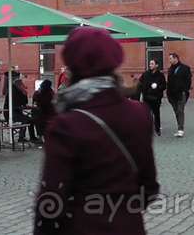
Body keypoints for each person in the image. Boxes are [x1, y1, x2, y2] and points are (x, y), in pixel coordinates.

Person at [34, 27, 159, 234]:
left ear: (72, 65)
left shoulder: (66, 125)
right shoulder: (140, 114)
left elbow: (51, 202)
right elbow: (149, 188)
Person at [136, 59, 167, 136]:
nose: (150, 65)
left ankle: (157, 129)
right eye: (150, 64)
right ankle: (147, 129)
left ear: (156, 65)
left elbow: (164, 86)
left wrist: (157, 87)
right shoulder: (145, 74)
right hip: (147, 97)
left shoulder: (160, 75)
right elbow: (140, 83)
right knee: (147, 114)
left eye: (152, 64)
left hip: (156, 97)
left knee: (156, 113)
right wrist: (145, 89)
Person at [166, 53, 191, 138]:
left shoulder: (185, 68)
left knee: (180, 110)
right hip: (172, 94)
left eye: (171, 58)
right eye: (169, 58)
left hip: (181, 93)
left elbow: (188, 80)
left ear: (176, 58)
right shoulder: (170, 69)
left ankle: (181, 129)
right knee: (176, 111)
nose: (169, 60)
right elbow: (169, 81)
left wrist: (184, 90)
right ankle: (179, 127)